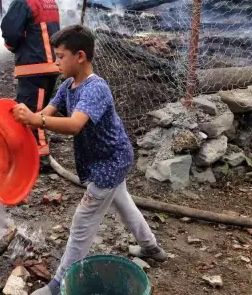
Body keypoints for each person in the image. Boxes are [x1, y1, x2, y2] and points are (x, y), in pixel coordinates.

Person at [12, 25, 167, 295]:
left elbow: (74, 125)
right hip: (106, 159)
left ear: (80, 56)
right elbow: (46, 112)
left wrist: (38, 120)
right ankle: (151, 246)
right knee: (122, 201)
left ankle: (59, 283)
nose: (56, 61)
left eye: (60, 56)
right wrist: (27, 119)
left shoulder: (96, 88)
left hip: (111, 162)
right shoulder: (68, 85)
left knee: (82, 223)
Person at [1, 0, 60, 170]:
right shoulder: (49, 1)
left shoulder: (23, 3)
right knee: (39, 110)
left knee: (32, 112)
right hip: (51, 66)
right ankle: (29, 150)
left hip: (33, 68)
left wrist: (10, 46)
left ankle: (41, 159)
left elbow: (10, 32)